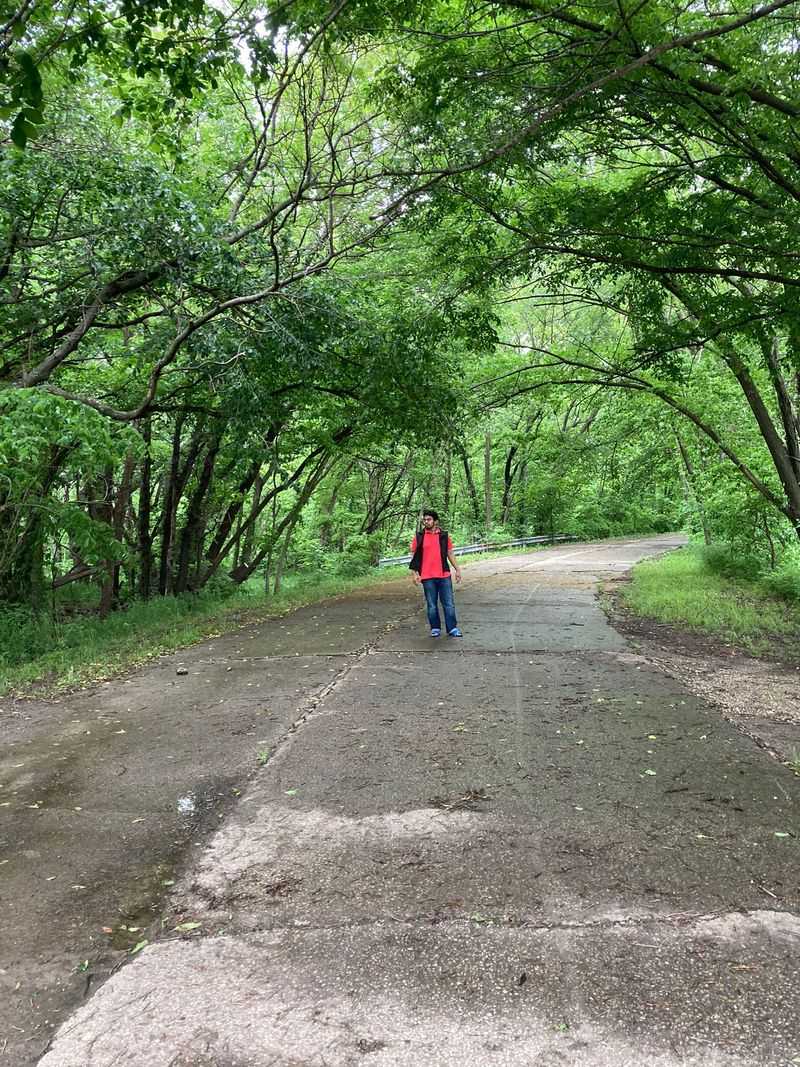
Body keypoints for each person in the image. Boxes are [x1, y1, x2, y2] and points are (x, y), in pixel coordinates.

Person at [409, 509, 463, 637]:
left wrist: (458, 569)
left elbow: (450, 553)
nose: (426, 522)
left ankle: (452, 628)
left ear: (435, 521)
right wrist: (414, 574)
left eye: (429, 519)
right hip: (427, 577)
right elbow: (413, 556)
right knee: (432, 605)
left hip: (443, 575)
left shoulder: (444, 536)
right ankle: (435, 628)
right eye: (424, 520)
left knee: (449, 604)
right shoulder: (419, 537)